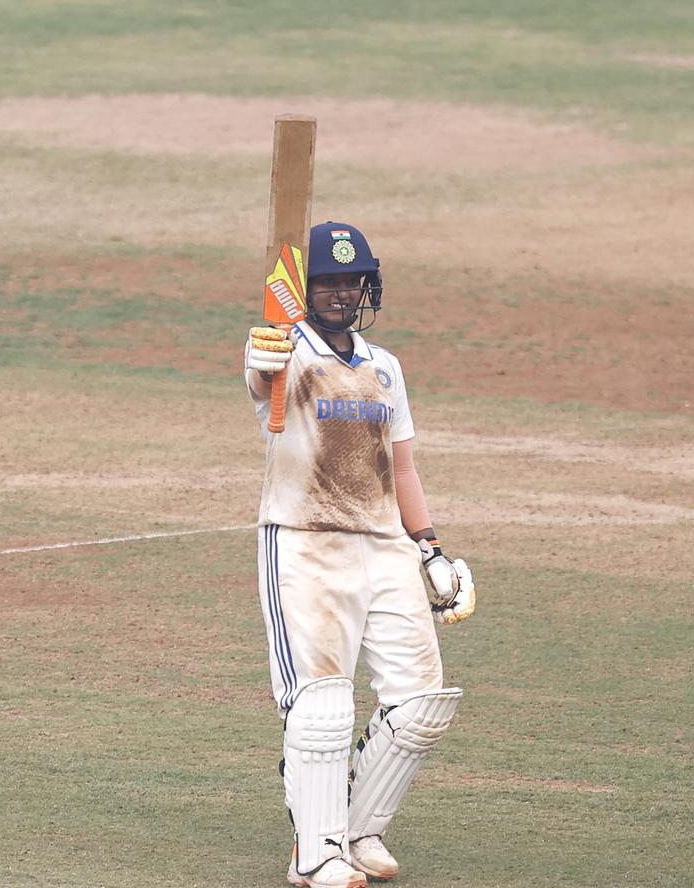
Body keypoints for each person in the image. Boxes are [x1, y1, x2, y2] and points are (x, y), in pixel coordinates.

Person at [245, 221, 475, 888]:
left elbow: (402, 468)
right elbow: (264, 390)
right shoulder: (282, 350)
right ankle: (314, 853)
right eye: (328, 281)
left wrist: (429, 546)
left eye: (353, 280)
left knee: (421, 703)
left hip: (386, 547)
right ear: (306, 289)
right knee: (322, 705)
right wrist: (265, 358)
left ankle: (358, 831)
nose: (342, 292)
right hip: (308, 544)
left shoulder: (384, 367)